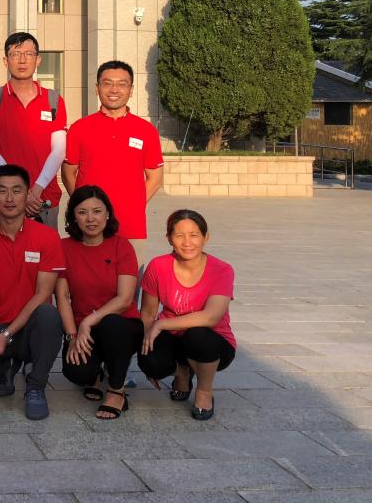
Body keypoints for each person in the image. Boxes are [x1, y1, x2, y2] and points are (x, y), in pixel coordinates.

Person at [0, 164, 65, 420]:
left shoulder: (47, 238)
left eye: (17, 191)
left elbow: (42, 294)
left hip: (29, 328)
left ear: (28, 194)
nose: (9, 198)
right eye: (2, 191)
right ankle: (4, 366)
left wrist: (8, 333)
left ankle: (36, 385)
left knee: (49, 315)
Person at [138, 209, 236, 421]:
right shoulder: (158, 266)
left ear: (205, 237)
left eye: (194, 235)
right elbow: (148, 313)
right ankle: (181, 372)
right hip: (174, 339)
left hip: (212, 343)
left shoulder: (222, 270)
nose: (187, 242)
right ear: (169, 238)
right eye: (179, 235)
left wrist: (160, 325)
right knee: (150, 360)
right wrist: (145, 353)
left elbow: (211, 317)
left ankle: (204, 391)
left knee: (198, 334)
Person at [55, 185, 143, 420]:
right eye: (82, 212)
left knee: (112, 324)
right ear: (73, 216)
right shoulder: (64, 247)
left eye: (97, 211)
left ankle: (116, 391)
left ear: (107, 214)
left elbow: (125, 298)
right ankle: (94, 374)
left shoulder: (121, 246)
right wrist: (72, 336)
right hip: (83, 329)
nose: (90, 219)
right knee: (77, 373)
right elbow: (62, 296)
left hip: (121, 326)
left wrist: (89, 321)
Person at [62, 60, 163, 240]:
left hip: (131, 227)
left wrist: (134, 205)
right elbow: (68, 173)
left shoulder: (146, 130)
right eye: (107, 83)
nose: (114, 90)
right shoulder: (79, 128)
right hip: (89, 227)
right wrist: (84, 205)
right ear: (97, 88)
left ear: (131, 90)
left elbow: (155, 178)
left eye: (122, 84)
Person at [0, 32, 67, 230]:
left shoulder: (53, 101)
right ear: (5, 61)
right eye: (15, 54)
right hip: (4, 200)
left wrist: (36, 190)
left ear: (38, 59)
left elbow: (59, 151)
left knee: (44, 250)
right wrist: (17, 190)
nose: (22, 60)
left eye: (29, 54)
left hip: (43, 200)